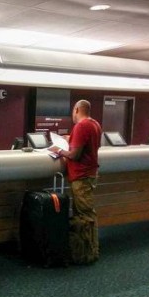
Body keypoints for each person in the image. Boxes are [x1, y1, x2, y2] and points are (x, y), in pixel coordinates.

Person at [49, 100, 102, 265]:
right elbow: (86, 145)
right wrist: (70, 138)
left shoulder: (81, 126)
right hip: (90, 173)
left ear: (77, 109)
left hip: (81, 176)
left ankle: (88, 253)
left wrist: (59, 150)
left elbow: (74, 155)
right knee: (88, 213)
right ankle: (91, 249)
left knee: (84, 215)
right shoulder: (95, 124)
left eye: (73, 111)